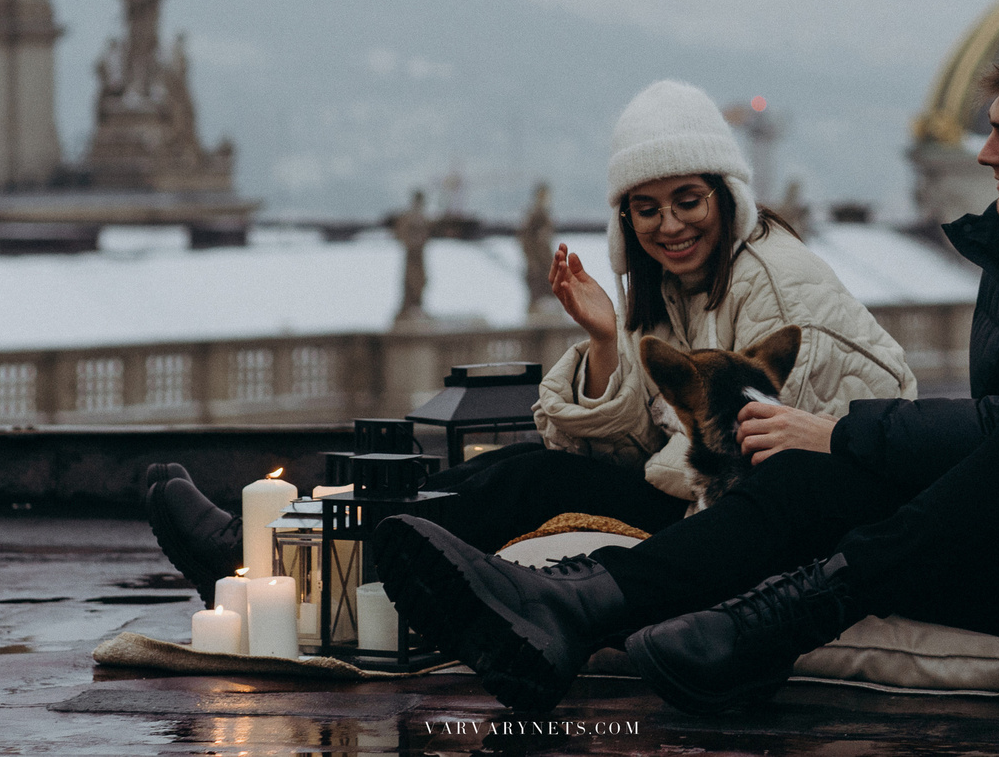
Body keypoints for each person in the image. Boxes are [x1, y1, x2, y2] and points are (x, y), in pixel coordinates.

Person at [371, 37, 999, 717]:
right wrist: (829, 446)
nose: (984, 153)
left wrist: (846, 430)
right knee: (812, 465)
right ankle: (580, 609)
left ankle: (783, 615)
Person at [144, 78, 916, 599]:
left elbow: (750, 455)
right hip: (721, 499)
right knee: (508, 466)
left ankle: (287, 566)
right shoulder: (673, 286)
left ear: (727, 196)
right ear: (624, 218)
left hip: (775, 526)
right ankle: (289, 545)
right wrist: (610, 344)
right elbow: (651, 436)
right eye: (646, 208)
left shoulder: (769, 282)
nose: (669, 224)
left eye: (687, 200)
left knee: (529, 482)